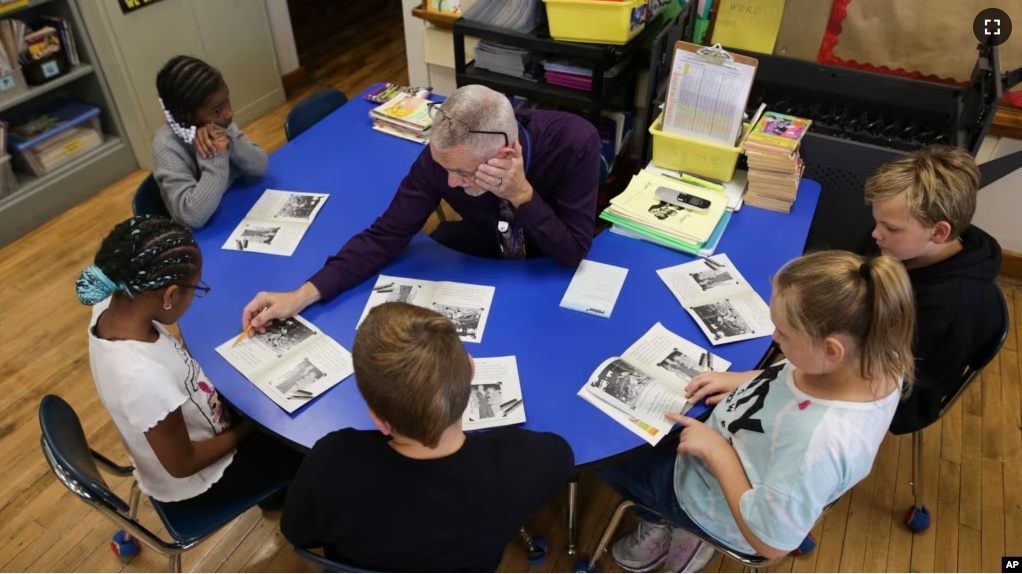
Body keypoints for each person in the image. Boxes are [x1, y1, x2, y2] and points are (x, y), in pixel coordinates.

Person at [600, 251, 915, 572]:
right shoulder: (874, 356)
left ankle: (674, 527)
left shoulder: (818, 445)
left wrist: (717, 451)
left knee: (607, 461)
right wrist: (744, 380)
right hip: (734, 445)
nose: (774, 338)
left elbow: (771, 544)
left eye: (784, 334)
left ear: (831, 350)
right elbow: (793, 373)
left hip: (715, 503)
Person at [240, 84, 602, 333]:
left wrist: (522, 194)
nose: (448, 184)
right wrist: (301, 295)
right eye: (444, 168)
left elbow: (572, 252)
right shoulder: (442, 162)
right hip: (482, 265)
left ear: (505, 155)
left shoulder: (573, 142)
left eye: (461, 173)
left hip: (547, 277)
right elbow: (384, 236)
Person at [281, 302, 575, 572]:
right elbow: (562, 453)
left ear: (380, 421)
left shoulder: (334, 460)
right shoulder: (516, 466)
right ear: (471, 370)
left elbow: (297, 532)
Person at [77, 215, 301, 509]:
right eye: (197, 288)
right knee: (303, 451)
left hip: (201, 418)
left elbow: (163, 361)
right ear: (170, 295)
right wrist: (251, 427)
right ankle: (278, 497)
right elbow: (183, 465)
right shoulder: (143, 378)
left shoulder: (112, 308)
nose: (197, 295)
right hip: (201, 483)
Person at [858, 145, 1002, 434]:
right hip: (866, 338)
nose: (876, 234)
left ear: (939, 232)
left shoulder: (952, 308)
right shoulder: (900, 245)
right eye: (876, 222)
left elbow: (909, 388)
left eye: (890, 228)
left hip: (896, 395)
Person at [153, 55, 268, 228]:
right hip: (206, 236)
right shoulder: (166, 147)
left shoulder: (218, 123)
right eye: (217, 110)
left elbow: (260, 166)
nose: (229, 113)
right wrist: (216, 154)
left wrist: (230, 141)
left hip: (236, 207)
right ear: (185, 116)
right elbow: (193, 216)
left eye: (227, 100)